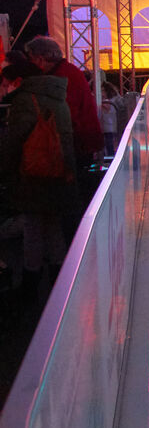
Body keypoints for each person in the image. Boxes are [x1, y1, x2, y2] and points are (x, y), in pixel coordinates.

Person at [0, 62, 76, 295]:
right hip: (57, 170)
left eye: (5, 82)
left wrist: (5, 170)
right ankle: (62, 278)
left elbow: (15, 142)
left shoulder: (25, 101)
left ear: (18, 80)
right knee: (52, 225)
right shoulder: (56, 94)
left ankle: (30, 280)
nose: (4, 87)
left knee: (33, 228)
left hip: (34, 174)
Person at [24, 37, 103, 171]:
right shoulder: (68, 71)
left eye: (31, 59)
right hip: (83, 139)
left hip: (77, 142)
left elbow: (66, 115)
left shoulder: (60, 78)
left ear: (41, 59)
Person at [99, 81, 122, 156]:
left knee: (110, 146)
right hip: (107, 127)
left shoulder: (109, 102)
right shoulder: (112, 101)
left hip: (109, 127)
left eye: (102, 90)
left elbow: (107, 108)